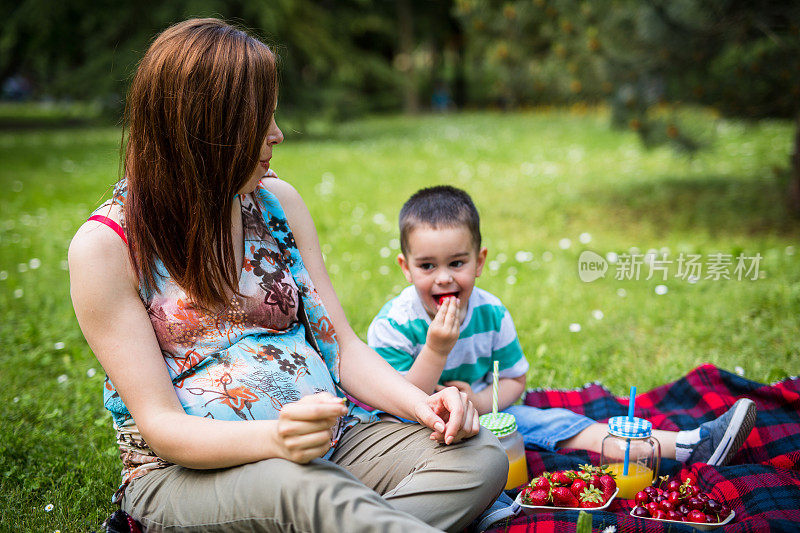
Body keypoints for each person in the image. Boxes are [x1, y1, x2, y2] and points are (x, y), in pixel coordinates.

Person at [68, 19, 507, 533]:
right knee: (304, 490)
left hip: (335, 443)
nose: (276, 133)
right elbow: (163, 429)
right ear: (200, 128)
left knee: (480, 454)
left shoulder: (276, 203)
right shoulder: (106, 247)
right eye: (257, 120)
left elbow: (342, 347)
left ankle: (349, 519)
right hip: (189, 474)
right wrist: (276, 440)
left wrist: (425, 405)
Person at [367, 185, 757, 467]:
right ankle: (489, 510)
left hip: (489, 416)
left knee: (557, 421)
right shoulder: (394, 326)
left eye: (457, 263)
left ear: (479, 261)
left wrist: (482, 403)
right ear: (405, 267)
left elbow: (517, 380)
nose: (444, 279)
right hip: (414, 430)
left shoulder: (492, 314)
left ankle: (686, 444)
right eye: (427, 266)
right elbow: (396, 403)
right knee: (458, 459)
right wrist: (436, 350)